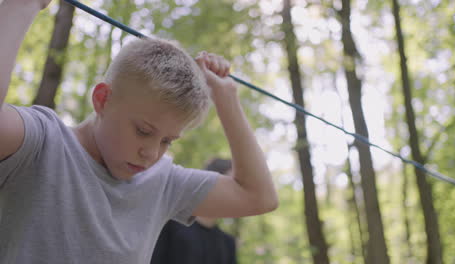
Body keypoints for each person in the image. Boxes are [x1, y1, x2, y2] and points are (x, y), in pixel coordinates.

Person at [0, 1, 278, 263]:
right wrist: (21, 5)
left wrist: (227, 100)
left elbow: (259, 197)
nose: (151, 153)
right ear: (102, 100)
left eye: (168, 141)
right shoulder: (42, 142)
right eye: (143, 131)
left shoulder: (162, 182)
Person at [151, 158, 237, 264]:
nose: (235, 194)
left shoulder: (228, 243)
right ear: (213, 184)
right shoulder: (171, 226)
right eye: (231, 185)